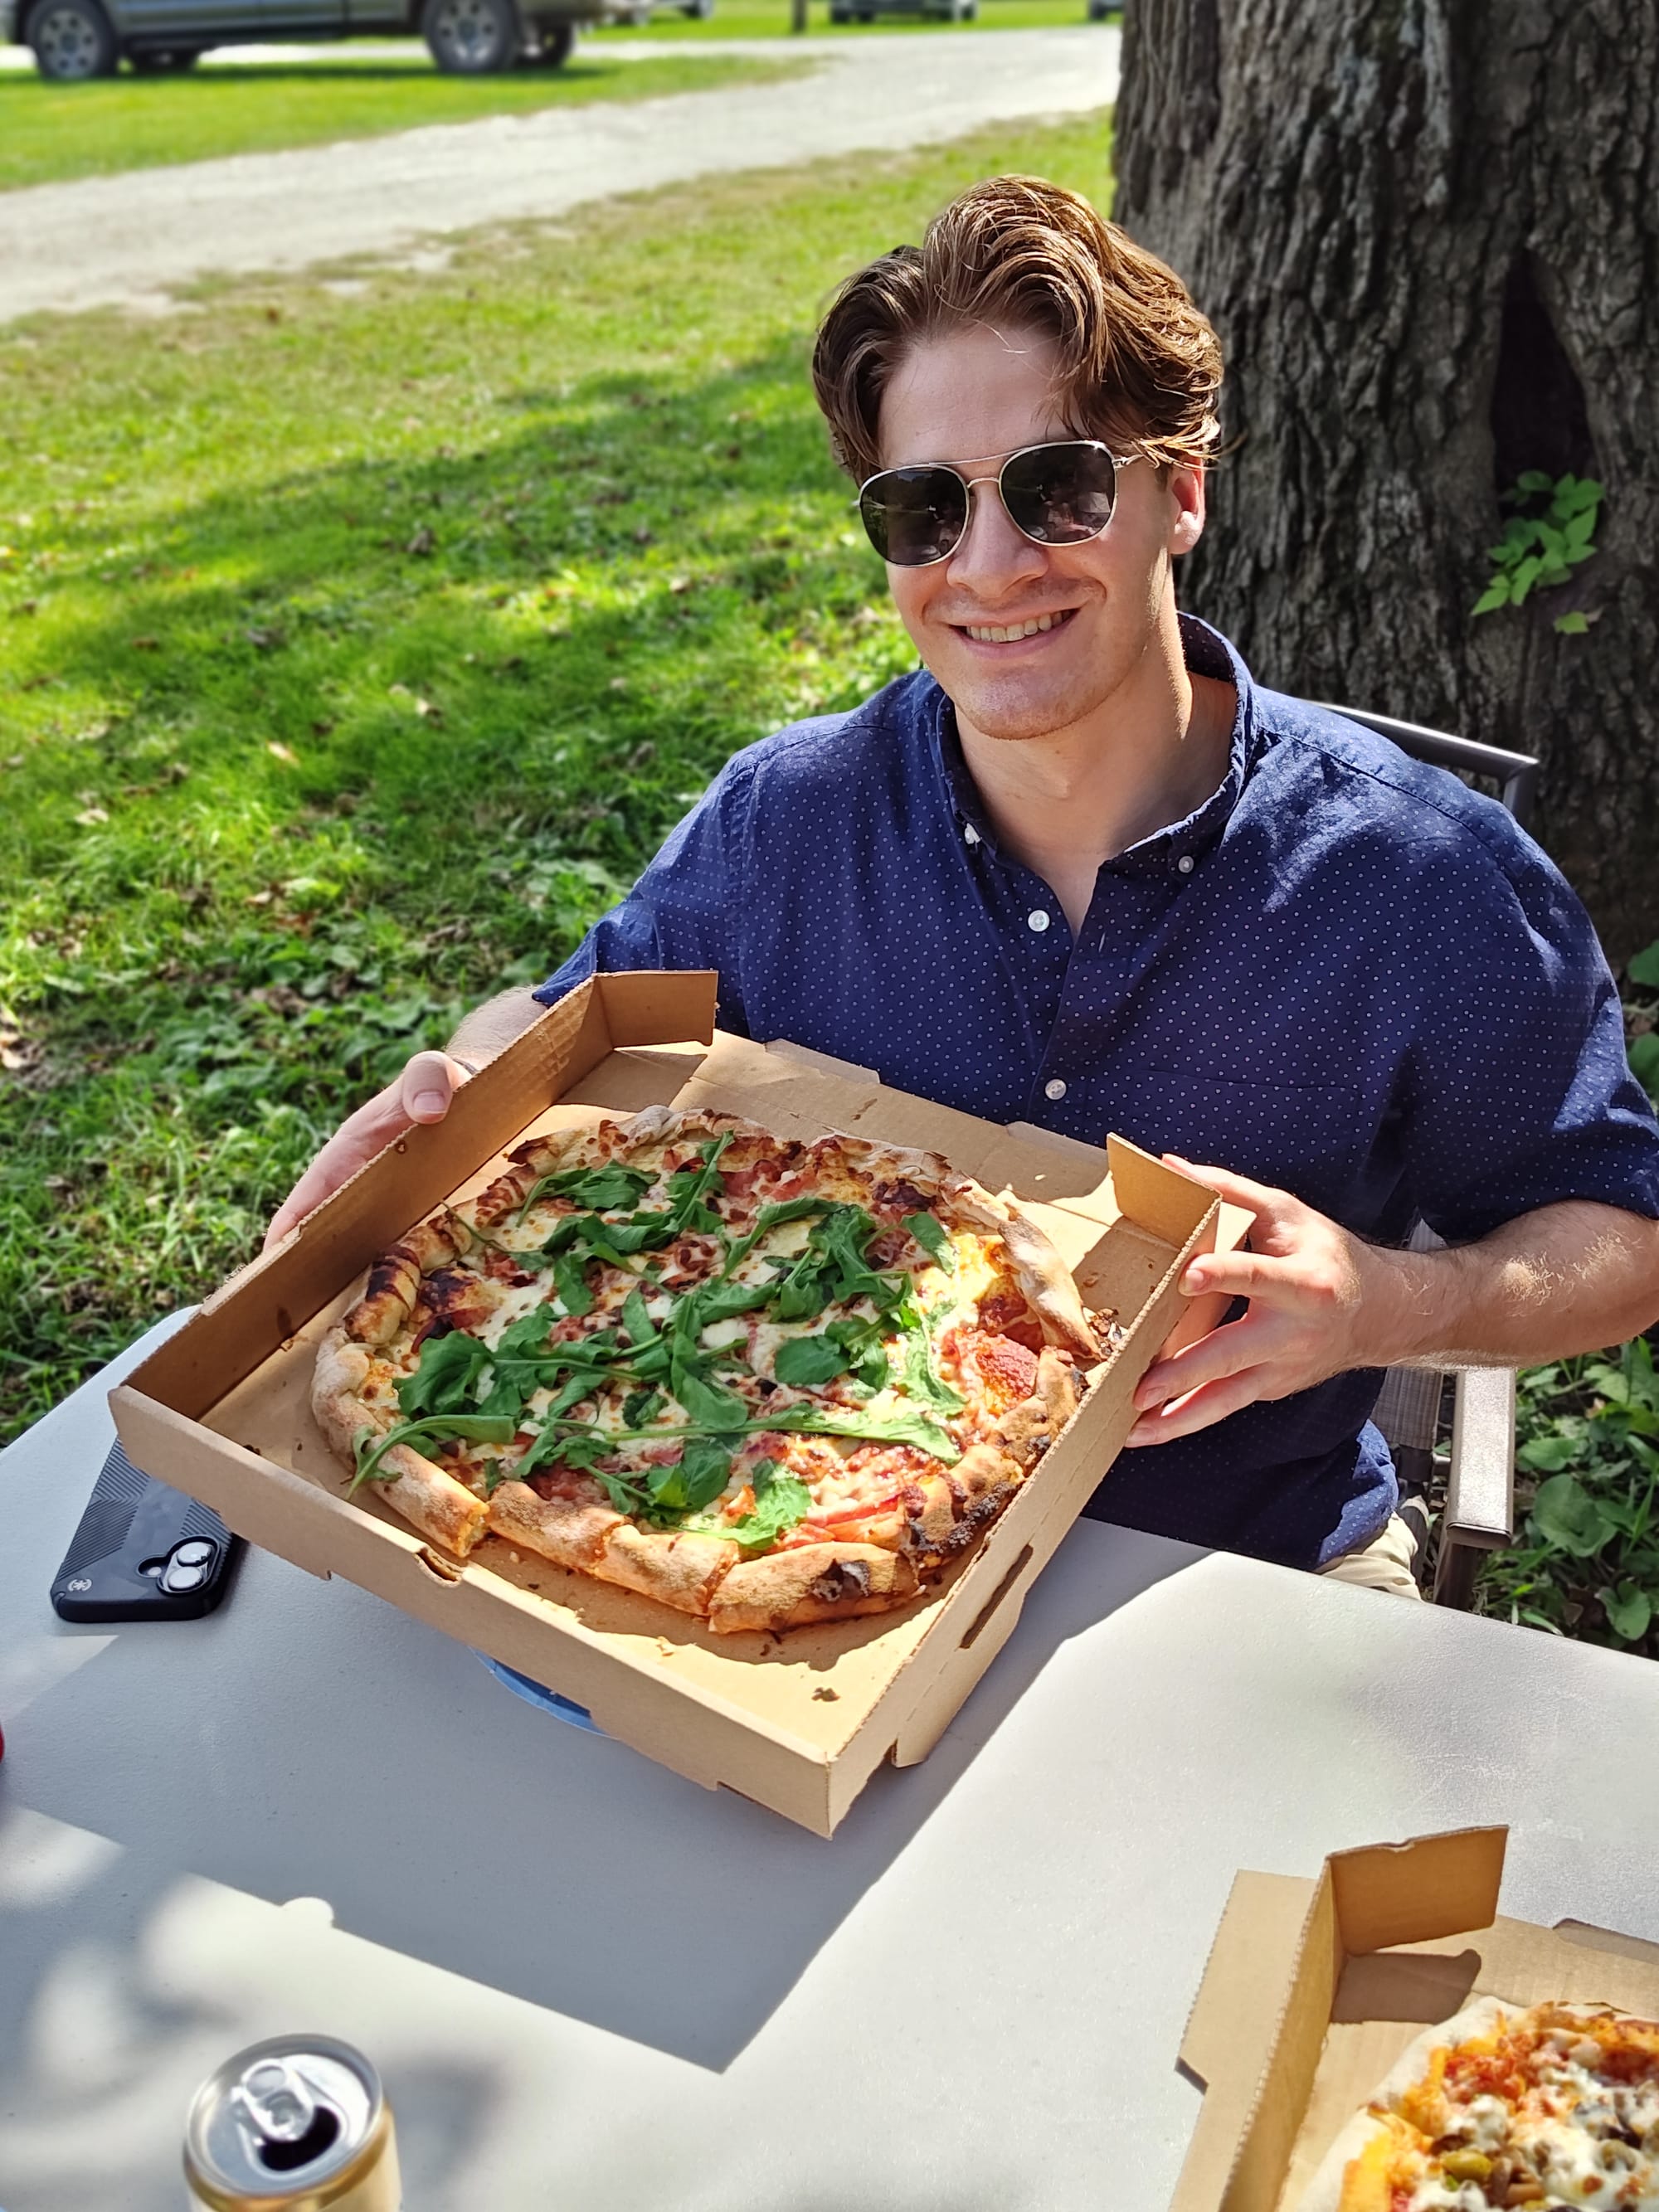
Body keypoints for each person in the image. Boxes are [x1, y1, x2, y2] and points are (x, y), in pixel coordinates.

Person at [267, 176, 1659, 1595]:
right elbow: (578, 1021)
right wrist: (457, 1082)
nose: (988, 566)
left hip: (1236, 1567)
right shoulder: (788, 820)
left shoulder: (1417, 877)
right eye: (924, 507)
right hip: (772, 1523)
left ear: (1178, 494)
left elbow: (1621, 1232)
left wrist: (1389, 1302)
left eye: (1057, 488)